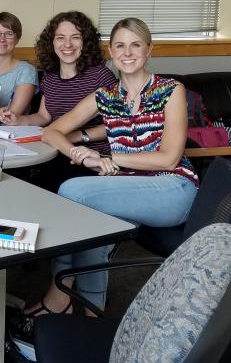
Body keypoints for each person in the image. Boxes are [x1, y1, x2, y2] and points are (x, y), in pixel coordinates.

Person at [26, 17, 197, 318]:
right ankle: (94, 313)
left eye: (135, 45)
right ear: (111, 50)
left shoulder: (171, 90)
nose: (127, 52)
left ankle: (58, 296)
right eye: (120, 45)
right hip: (126, 187)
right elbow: (50, 131)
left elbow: (168, 157)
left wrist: (112, 159)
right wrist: (81, 153)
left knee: (70, 190)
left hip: (172, 189)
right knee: (92, 224)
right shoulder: (106, 97)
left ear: (149, 49)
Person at [0, 11, 116, 190]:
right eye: (60, 38)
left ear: (86, 42)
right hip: (55, 150)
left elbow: (118, 126)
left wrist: (79, 136)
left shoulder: (101, 76)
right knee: (11, 177)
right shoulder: (50, 76)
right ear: (51, 42)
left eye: (75, 37)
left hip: (95, 156)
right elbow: (44, 116)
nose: (67, 44)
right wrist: (18, 119)